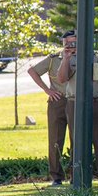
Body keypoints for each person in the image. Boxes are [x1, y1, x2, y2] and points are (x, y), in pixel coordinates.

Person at [55, 33, 98, 185]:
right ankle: (77, 178)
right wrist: (67, 58)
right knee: (76, 141)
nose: (73, 45)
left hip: (96, 101)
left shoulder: (97, 56)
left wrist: (86, 59)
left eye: (76, 42)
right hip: (74, 102)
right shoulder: (66, 58)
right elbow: (61, 79)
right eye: (70, 42)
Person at [29, 35, 69, 185]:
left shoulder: (82, 56)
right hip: (57, 100)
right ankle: (56, 177)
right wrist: (47, 90)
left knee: (77, 138)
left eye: (73, 42)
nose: (70, 45)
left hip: (75, 100)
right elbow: (33, 71)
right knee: (55, 139)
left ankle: (76, 174)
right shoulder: (54, 58)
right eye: (67, 43)